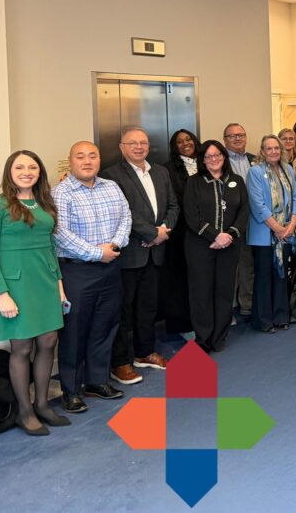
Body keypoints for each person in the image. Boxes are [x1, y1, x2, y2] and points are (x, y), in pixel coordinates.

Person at [0, 151, 69, 435]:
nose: (26, 171)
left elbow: (50, 249)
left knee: (49, 341)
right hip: (15, 286)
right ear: (10, 171)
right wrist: (1, 293)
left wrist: (60, 287)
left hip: (45, 282)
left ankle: (43, 404)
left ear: (39, 172)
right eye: (19, 166)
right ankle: (25, 411)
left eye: (32, 167)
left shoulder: (43, 202)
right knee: (22, 348)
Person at [52, 141, 131, 414]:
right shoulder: (61, 193)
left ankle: (97, 381)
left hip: (110, 267)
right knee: (74, 331)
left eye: (93, 156)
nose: (87, 161)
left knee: (105, 325)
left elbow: (126, 218)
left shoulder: (111, 186)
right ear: (70, 161)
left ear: (99, 160)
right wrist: (97, 253)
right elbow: (60, 233)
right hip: (77, 271)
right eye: (80, 156)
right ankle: (71, 390)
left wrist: (115, 246)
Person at [100, 127, 178, 385]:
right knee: (122, 311)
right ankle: (120, 362)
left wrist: (163, 231)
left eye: (143, 142)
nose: (138, 147)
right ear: (122, 147)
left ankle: (144, 352)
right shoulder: (111, 176)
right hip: (129, 253)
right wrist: (150, 234)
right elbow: (124, 213)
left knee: (148, 306)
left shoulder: (161, 171)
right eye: (132, 143)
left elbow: (173, 205)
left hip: (156, 251)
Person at [182, 140, 249, 353]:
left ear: (224, 156)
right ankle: (203, 338)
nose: (214, 159)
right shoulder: (194, 182)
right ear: (202, 160)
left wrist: (229, 235)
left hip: (229, 245)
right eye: (209, 156)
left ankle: (219, 336)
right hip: (200, 246)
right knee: (201, 292)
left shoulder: (236, 181)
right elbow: (191, 216)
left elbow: (244, 212)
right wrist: (214, 235)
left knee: (224, 291)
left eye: (217, 155)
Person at [246, 135, 296, 333]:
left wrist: (292, 223)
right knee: (264, 276)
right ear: (262, 151)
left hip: (286, 233)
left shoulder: (288, 169)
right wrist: (277, 229)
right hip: (264, 235)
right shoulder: (255, 172)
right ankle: (264, 320)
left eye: (276, 148)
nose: (274, 151)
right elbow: (258, 205)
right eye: (269, 148)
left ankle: (281, 316)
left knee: (281, 275)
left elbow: (295, 197)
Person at [162, 129, 200, 337]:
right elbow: (174, 201)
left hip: (205, 232)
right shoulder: (168, 170)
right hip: (181, 231)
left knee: (199, 277)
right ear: (174, 147)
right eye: (179, 142)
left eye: (188, 139)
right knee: (179, 278)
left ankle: (200, 317)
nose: (185, 143)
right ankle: (181, 322)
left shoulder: (207, 163)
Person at [223, 123, 256, 321]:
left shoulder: (255, 160)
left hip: (254, 220)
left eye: (241, 135)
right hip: (230, 222)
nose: (237, 138)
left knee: (248, 264)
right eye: (232, 136)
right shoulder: (220, 161)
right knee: (229, 268)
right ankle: (228, 309)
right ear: (225, 139)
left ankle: (247, 305)